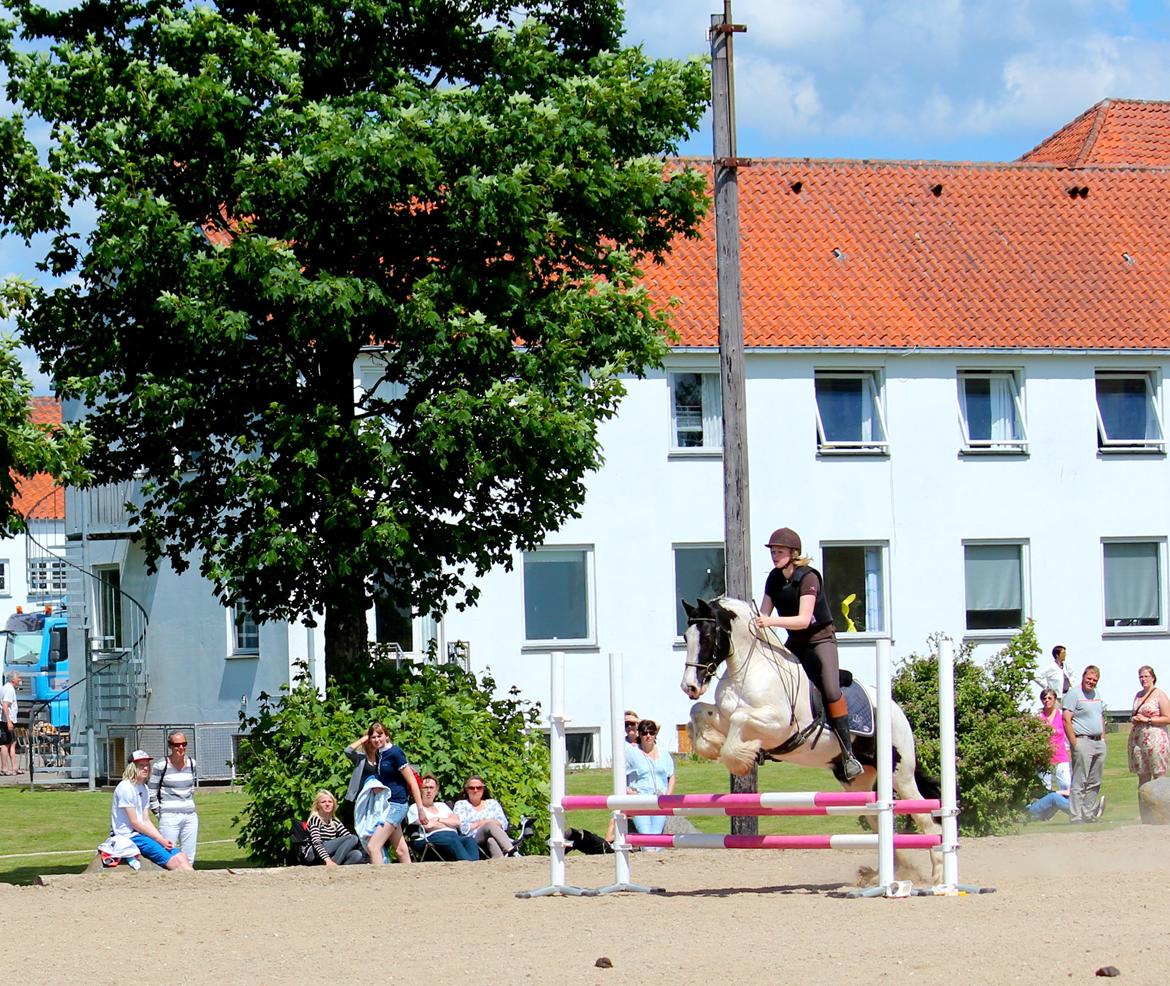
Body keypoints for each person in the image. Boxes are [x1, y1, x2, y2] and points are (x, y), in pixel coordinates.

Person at [752, 527, 863, 780]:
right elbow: (764, 614)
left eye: (779, 551)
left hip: (820, 640)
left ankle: (848, 754)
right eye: (773, 551)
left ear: (794, 553)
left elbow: (803, 620)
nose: (774, 556)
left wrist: (768, 623)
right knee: (773, 679)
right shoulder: (774, 578)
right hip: (796, 642)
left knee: (832, 690)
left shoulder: (809, 578)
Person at [356, 721, 426, 865]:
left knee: (373, 846)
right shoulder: (380, 754)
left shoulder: (395, 752)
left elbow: (412, 781)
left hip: (397, 804)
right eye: (373, 737)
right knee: (400, 849)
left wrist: (420, 809)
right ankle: (412, 877)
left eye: (379, 736)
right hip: (387, 805)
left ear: (387, 735)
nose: (377, 740)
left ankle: (379, 881)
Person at [111, 750, 193, 871]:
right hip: (129, 836)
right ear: (132, 767)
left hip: (141, 834)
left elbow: (146, 820)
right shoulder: (125, 787)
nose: (145, 768)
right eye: (141, 766)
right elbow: (134, 822)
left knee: (182, 856)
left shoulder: (144, 788)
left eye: (147, 765)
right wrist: (159, 840)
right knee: (175, 862)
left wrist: (162, 839)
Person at [1063, 665, 1106, 823]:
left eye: (1094, 680)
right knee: (1080, 780)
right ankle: (1076, 816)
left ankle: (1088, 813)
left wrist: (1103, 738)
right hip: (1082, 740)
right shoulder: (1074, 694)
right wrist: (1074, 742)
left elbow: (1099, 716)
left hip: (1098, 741)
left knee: (1095, 780)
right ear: (1083, 677)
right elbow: (1066, 719)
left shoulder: (1097, 693)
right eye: (1089, 678)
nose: (1091, 682)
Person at [149, 731, 199, 864]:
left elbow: (191, 787)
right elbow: (151, 792)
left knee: (189, 855)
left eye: (184, 744)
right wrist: (159, 813)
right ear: (170, 746)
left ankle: (188, 880)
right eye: (177, 745)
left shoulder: (192, 763)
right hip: (169, 816)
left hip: (190, 815)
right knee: (168, 853)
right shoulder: (161, 765)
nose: (181, 748)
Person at [406, 774, 480, 861]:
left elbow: (457, 822)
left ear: (436, 791)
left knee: (469, 840)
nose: (429, 791)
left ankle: (475, 866)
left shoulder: (442, 805)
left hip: (453, 836)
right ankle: (469, 866)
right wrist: (448, 823)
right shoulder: (416, 807)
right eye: (425, 788)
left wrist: (438, 820)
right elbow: (428, 826)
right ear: (420, 790)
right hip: (431, 838)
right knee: (453, 842)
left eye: (431, 787)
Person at [1024, 689, 1071, 822]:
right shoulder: (1039, 717)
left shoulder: (1061, 715)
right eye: (1045, 698)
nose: (1047, 700)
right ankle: (1045, 815)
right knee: (1045, 787)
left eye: (1050, 698)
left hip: (1060, 756)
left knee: (1067, 785)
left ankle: (1066, 806)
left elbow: (1067, 735)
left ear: (1055, 700)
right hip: (1044, 759)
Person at [625, 719, 675, 836]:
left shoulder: (664, 753)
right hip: (639, 800)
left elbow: (671, 776)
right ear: (639, 734)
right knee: (646, 834)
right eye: (644, 733)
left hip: (659, 801)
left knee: (656, 836)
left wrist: (668, 796)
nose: (648, 736)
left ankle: (651, 853)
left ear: (655, 734)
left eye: (651, 733)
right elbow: (620, 776)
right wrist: (628, 791)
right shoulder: (631, 751)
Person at [453, 775, 516, 858]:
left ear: (483, 789)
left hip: (494, 835)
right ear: (466, 790)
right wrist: (486, 822)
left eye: (479, 788)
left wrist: (476, 824)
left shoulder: (492, 803)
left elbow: (503, 824)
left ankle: (501, 862)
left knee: (491, 840)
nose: (475, 790)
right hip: (473, 838)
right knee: (489, 825)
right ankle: (513, 851)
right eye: (472, 788)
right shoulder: (461, 805)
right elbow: (463, 828)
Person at [1128, 665, 1170, 788]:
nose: (1143, 679)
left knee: (1159, 776)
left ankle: (1161, 806)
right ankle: (1144, 806)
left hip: (1155, 741)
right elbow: (1134, 714)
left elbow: (1168, 718)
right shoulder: (1138, 695)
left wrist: (1147, 720)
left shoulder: (1159, 694)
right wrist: (1135, 719)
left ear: (1153, 678)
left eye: (1146, 676)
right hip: (1138, 741)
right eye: (1141, 677)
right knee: (1142, 776)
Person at [302, 790, 367, 865]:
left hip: (330, 854)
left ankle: (337, 866)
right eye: (323, 802)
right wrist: (327, 860)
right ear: (317, 805)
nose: (327, 804)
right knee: (353, 838)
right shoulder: (315, 819)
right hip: (315, 853)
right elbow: (317, 843)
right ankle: (334, 864)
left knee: (356, 854)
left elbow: (347, 836)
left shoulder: (335, 821)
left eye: (330, 802)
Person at [0, 672, 19, 775]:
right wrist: (8, 721)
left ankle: (14, 767)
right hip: (6, 720)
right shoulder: (9, 689)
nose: (20, 680)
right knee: (5, 744)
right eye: (18, 678)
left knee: (12, 743)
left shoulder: (7, 687)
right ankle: (4, 768)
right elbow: (5, 705)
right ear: (13, 680)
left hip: (10, 720)